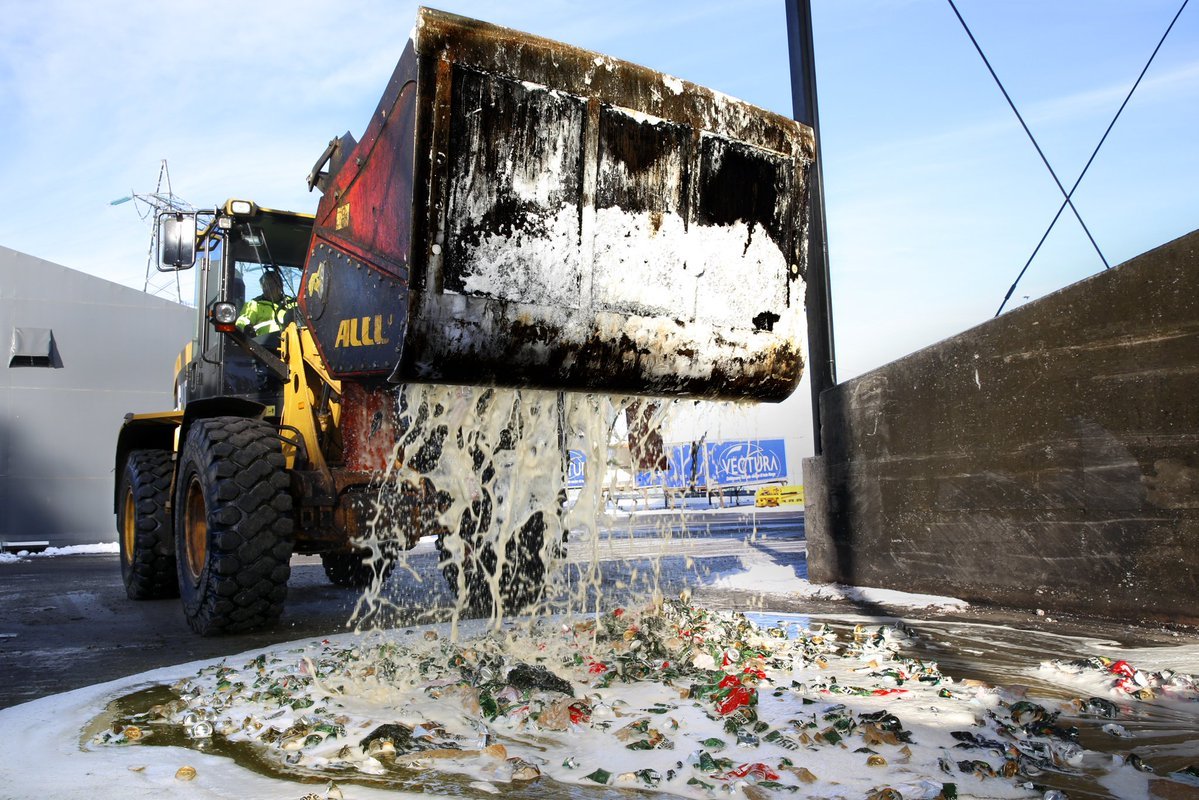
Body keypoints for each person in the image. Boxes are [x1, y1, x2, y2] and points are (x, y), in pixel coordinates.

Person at [236, 271, 295, 337]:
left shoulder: (292, 303)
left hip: (292, 343)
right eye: (264, 286)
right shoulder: (254, 304)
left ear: (280, 286)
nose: (267, 289)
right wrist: (245, 327)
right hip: (264, 345)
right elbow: (243, 320)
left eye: (270, 285)